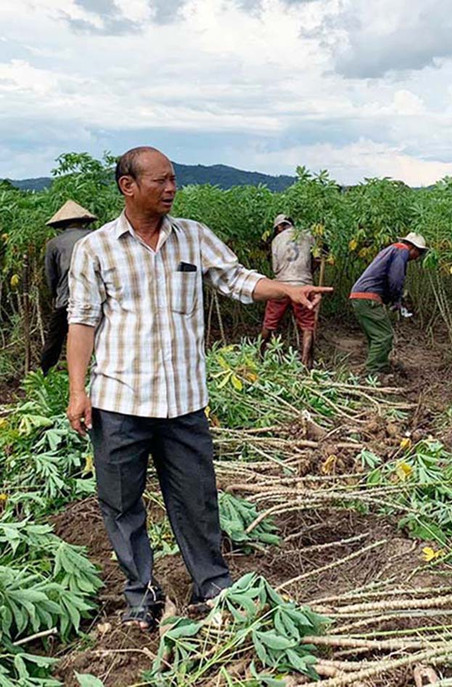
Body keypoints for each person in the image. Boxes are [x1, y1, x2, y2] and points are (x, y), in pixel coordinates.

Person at [65, 146, 332, 630]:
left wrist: (286, 289)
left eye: (174, 180)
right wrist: (77, 390)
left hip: (183, 401)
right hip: (119, 401)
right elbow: (83, 321)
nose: (171, 189)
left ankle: (212, 584)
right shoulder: (96, 248)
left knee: (196, 498)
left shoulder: (193, 237)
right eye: (160, 181)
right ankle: (141, 594)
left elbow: (238, 281)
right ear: (128, 186)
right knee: (121, 505)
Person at [349, 233, 426, 375]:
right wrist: (396, 300)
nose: (416, 258)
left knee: (376, 336)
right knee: (383, 336)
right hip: (368, 296)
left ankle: (381, 366)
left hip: (360, 296)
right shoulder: (401, 250)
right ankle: (372, 373)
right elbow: (396, 278)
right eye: (418, 254)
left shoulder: (391, 250)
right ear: (412, 248)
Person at [41, 200, 97, 374]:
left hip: (66, 298)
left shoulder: (54, 244)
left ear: (62, 224)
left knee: (55, 339)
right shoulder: (96, 237)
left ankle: (45, 373)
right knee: (98, 335)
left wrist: (56, 295)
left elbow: (51, 276)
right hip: (96, 297)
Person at [259, 213, 319, 364]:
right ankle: (306, 363)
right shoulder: (308, 235)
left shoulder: (277, 240)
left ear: (279, 226)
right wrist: (307, 274)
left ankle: (259, 355)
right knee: (307, 326)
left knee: (269, 323)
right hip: (304, 285)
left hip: (282, 285)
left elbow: (275, 268)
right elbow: (316, 259)